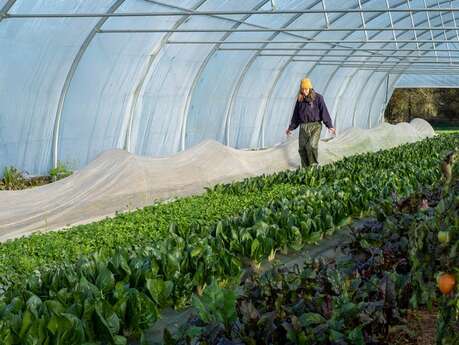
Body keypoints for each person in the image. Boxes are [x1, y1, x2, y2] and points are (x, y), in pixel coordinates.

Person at [286, 78, 336, 168]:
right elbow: (296, 116)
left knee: (311, 146)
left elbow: (324, 112)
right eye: (303, 89)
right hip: (303, 126)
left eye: (306, 89)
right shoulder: (300, 100)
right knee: (302, 149)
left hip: (315, 126)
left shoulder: (318, 98)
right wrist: (291, 128)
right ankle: (305, 168)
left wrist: (329, 126)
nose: (304, 91)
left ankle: (313, 166)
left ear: (310, 88)